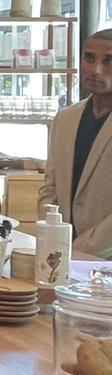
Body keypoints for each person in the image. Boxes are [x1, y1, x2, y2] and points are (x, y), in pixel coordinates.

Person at [40, 29, 112, 259]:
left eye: (108, 60)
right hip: (60, 255)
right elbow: (49, 187)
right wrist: (52, 238)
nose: (95, 70)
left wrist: (79, 250)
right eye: (89, 58)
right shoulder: (65, 118)